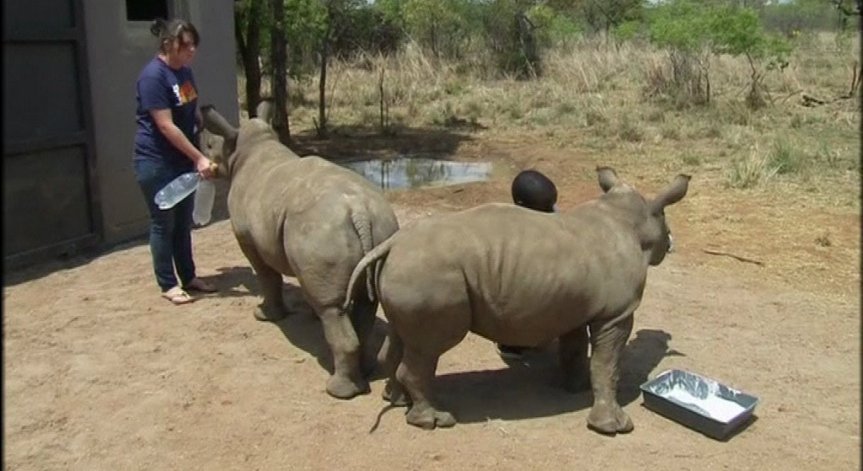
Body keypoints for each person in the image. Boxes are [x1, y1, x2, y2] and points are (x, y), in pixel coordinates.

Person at [133, 18, 217, 305]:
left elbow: (190, 106)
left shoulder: (184, 72)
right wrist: (199, 157)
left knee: (183, 222)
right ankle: (168, 284)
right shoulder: (153, 77)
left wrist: (199, 122)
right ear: (168, 44)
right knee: (163, 223)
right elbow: (166, 126)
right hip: (156, 163)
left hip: (182, 160)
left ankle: (189, 276)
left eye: (194, 44)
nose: (191, 50)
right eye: (185, 45)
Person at [497, 169, 558, 360]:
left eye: (552, 205)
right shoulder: (507, 232)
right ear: (521, 205)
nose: (551, 211)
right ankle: (512, 343)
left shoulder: (550, 219)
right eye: (545, 207)